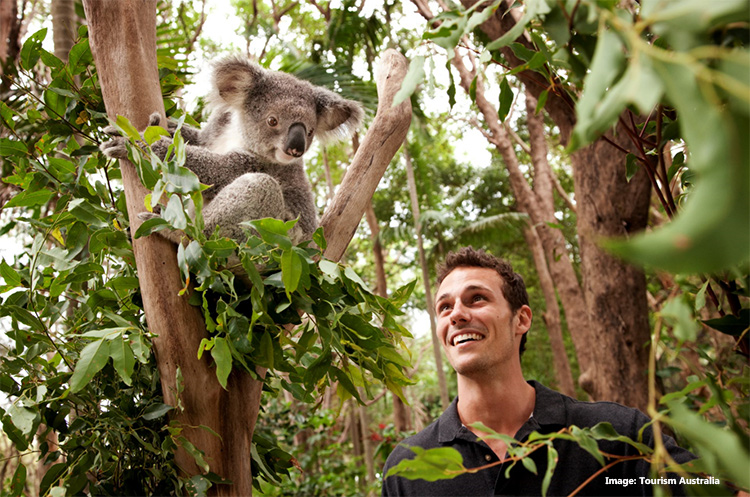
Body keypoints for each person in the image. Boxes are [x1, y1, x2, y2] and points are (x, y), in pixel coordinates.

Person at [381, 247, 697, 496]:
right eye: (444, 307)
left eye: (477, 299)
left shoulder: (617, 435)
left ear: (521, 320)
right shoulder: (408, 466)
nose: (457, 315)